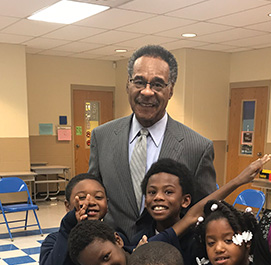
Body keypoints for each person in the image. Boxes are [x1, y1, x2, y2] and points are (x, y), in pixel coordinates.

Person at [68, 155, 271, 265]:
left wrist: (238, 180)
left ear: (118, 241)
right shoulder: (131, 253)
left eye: (106, 257)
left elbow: (193, 215)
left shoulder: (155, 245)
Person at [88, 44, 217, 241]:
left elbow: (206, 212)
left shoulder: (198, 147)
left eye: (157, 84)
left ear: (170, 90)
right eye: (139, 82)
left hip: (171, 263)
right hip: (112, 262)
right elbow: (94, 199)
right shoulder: (102, 137)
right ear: (128, 85)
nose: (147, 92)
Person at [131, 158, 199, 265]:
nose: (158, 197)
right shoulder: (140, 239)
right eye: (152, 192)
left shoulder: (196, 241)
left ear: (185, 200)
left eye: (168, 192)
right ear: (145, 202)